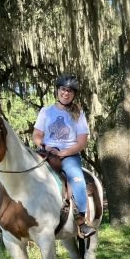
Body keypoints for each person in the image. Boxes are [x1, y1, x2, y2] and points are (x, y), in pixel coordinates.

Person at [33, 73, 95, 238]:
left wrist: (63, 152)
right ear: (57, 91)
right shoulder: (46, 111)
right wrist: (46, 146)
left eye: (69, 91)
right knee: (23, 169)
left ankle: (82, 223)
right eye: (63, 89)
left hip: (69, 155)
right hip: (45, 153)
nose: (66, 93)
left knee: (77, 180)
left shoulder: (78, 114)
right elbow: (37, 136)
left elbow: (82, 142)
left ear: (73, 94)